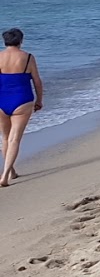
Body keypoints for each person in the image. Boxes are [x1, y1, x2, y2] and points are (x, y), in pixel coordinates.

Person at [1, 28, 44, 188]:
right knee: (14, 139)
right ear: (21, 41)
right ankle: (6, 174)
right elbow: (37, 82)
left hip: (1, 100)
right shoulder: (28, 58)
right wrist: (39, 100)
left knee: (5, 138)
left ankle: (10, 171)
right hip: (22, 100)